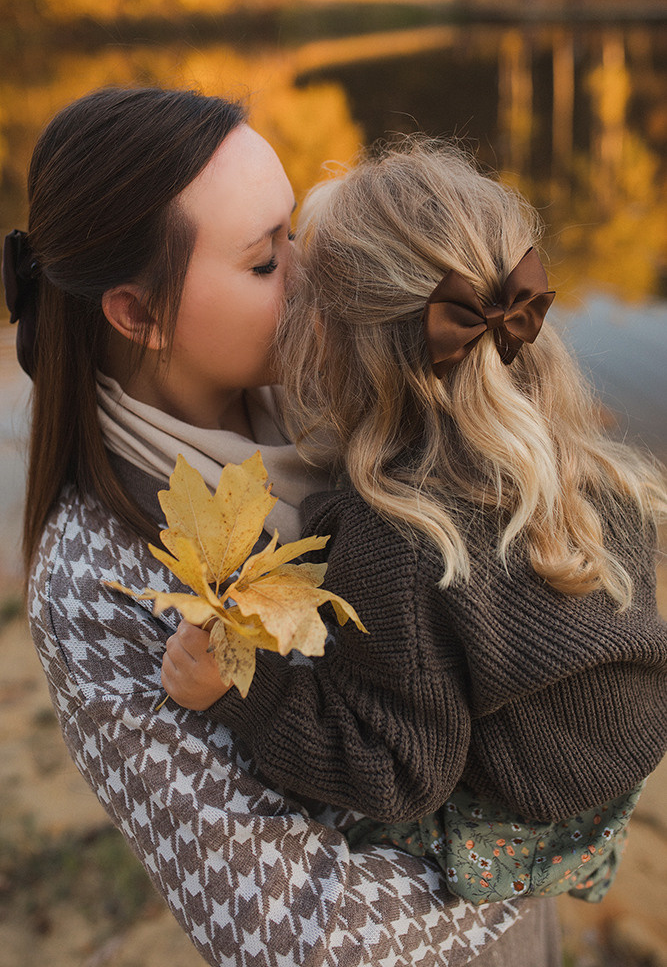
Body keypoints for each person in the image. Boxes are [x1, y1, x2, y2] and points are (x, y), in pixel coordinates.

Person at [2, 89, 561, 967]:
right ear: (136, 313)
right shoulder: (93, 582)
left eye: (294, 234)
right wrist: (536, 843)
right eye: (266, 262)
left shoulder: (349, 392)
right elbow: (295, 933)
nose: (313, 276)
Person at [160, 139, 667, 909]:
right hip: (615, 759)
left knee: (319, 807)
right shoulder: (590, 465)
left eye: (301, 290)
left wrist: (242, 686)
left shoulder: (393, 545)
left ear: (334, 345)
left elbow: (396, 772)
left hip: (523, 809)